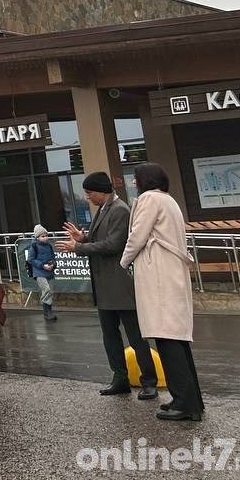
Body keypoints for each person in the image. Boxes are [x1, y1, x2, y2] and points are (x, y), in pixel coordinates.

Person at [57, 171, 158, 399]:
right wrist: (82, 239)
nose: (87, 197)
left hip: (120, 285)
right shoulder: (103, 209)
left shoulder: (120, 210)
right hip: (104, 286)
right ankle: (120, 378)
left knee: (136, 337)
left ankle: (149, 381)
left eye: (89, 192)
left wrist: (79, 248)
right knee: (110, 336)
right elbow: (100, 242)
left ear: (102, 191)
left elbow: (113, 245)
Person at [121, 163, 205, 422]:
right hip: (172, 271)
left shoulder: (149, 199)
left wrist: (124, 261)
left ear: (145, 180)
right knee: (177, 339)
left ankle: (185, 404)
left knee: (166, 338)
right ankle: (190, 399)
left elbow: (137, 236)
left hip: (158, 274)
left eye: (136, 178)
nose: (134, 183)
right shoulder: (169, 200)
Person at [28, 225, 57, 321]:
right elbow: (31, 259)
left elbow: (53, 257)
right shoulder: (34, 246)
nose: (45, 238)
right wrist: (42, 265)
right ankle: (46, 311)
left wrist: (53, 264)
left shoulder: (49, 246)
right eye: (42, 236)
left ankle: (49, 311)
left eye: (46, 236)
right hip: (39, 272)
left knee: (50, 291)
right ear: (37, 237)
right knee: (46, 289)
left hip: (49, 271)